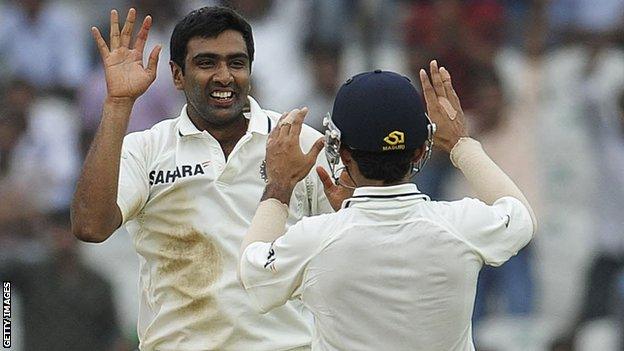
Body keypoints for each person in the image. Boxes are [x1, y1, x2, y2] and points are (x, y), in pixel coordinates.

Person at [71, 6, 336, 351]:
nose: (224, 76)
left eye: (236, 63)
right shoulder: (148, 149)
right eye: (207, 63)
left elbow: (345, 247)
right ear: (177, 75)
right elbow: (90, 226)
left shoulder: (298, 141)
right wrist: (118, 103)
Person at [238, 61, 537, 350]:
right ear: (421, 150)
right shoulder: (462, 226)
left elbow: (253, 275)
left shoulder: (315, 239)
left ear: (342, 153)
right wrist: (460, 144)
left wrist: (280, 185)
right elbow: (521, 217)